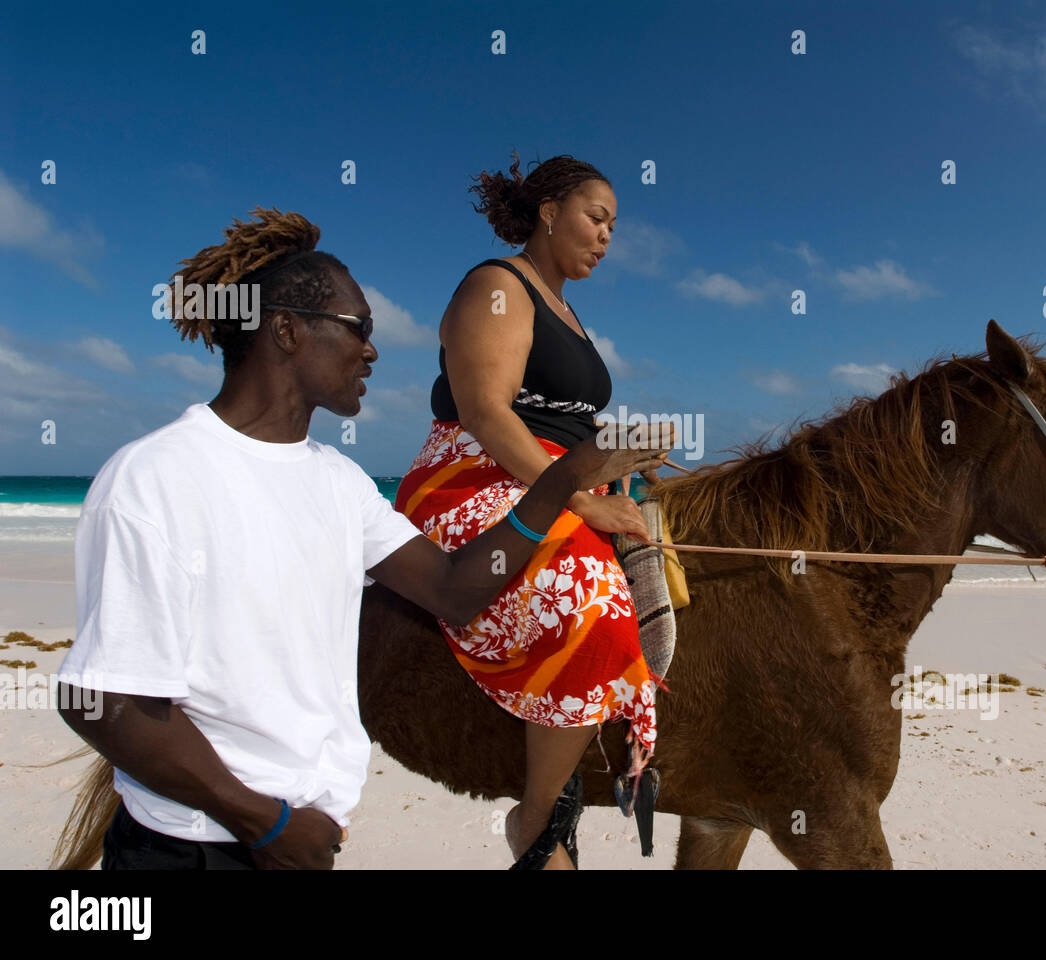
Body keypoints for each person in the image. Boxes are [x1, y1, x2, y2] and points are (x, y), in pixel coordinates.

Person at [53, 207, 671, 870]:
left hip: (301, 843)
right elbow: (102, 702)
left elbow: (456, 591)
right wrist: (264, 824)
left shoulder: (341, 484)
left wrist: (565, 482)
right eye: (359, 329)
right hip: (197, 849)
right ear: (287, 331)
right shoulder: (155, 477)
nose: (373, 349)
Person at [395, 153, 662, 870]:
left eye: (613, 226)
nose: (607, 237)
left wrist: (622, 466)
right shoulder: (497, 286)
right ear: (549, 212)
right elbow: (485, 411)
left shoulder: (568, 311)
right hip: (474, 473)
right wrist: (576, 500)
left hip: (559, 474)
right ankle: (538, 822)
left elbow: (566, 424)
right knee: (594, 601)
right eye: (596, 217)